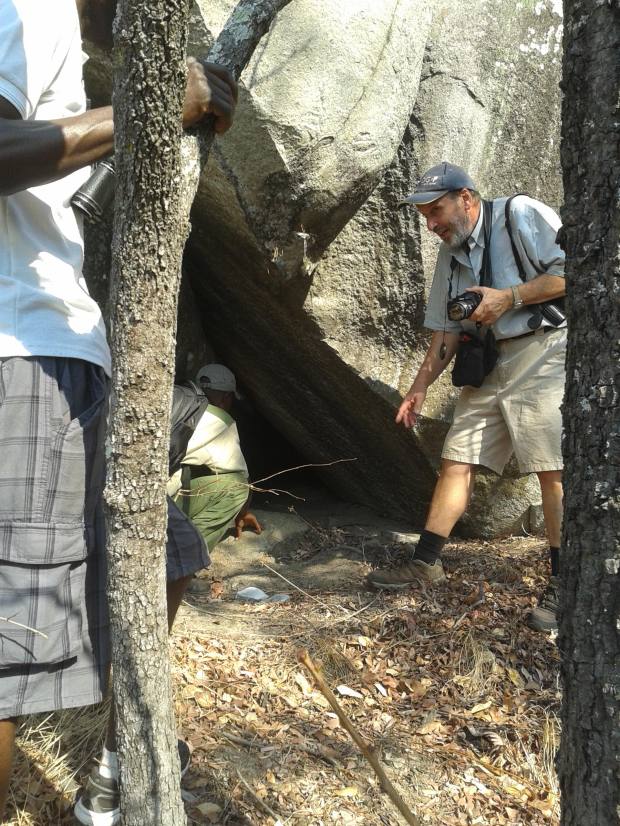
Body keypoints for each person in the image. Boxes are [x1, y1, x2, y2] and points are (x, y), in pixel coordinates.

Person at [0, 0, 238, 821]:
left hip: (63, 354)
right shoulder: (27, 7)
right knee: (6, 652)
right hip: (21, 351)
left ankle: (116, 758)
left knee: (167, 551)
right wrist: (146, 108)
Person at [366, 162, 566, 633]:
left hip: (543, 352)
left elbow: (575, 270)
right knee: (457, 458)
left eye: (436, 211)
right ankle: (426, 562)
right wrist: (418, 389)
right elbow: (444, 329)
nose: (431, 224)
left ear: (467, 199)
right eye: (425, 216)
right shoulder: (450, 255)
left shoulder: (520, 214)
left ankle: (566, 585)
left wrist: (510, 298)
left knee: (552, 470)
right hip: (486, 362)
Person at [170, 364, 262, 549]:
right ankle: (184, 556)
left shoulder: (170, 398)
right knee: (237, 488)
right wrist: (242, 512)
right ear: (227, 398)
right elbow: (241, 478)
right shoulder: (219, 420)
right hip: (158, 502)